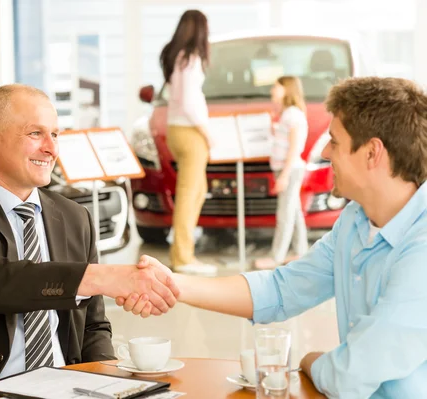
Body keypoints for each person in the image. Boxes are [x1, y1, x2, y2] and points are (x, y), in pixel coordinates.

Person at [119, 77, 427, 397]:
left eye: (334, 141)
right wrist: (172, 284)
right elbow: (282, 290)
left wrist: (310, 361)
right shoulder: (355, 221)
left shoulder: (422, 249)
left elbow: (350, 373)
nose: (323, 151)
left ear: (372, 153)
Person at [0, 84, 179, 399]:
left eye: (55, 135)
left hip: (70, 388)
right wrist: (103, 277)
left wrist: (107, 384)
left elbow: (93, 327)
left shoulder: (73, 217)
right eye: (35, 134)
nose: (51, 149)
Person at [160, 9, 216, 276]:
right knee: (189, 192)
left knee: (195, 189)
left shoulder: (178, 58)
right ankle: (183, 257)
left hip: (176, 129)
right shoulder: (191, 60)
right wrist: (207, 133)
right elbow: (190, 102)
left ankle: (184, 252)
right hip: (190, 131)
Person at [255, 76, 309, 269]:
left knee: (285, 213)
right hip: (287, 170)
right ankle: (301, 251)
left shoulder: (293, 114)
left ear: (287, 89)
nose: (272, 91)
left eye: (275, 88)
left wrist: (285, 175)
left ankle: (276, 256)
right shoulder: (287, 114)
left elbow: (294, 149)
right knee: (293, 212)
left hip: (290, 170)